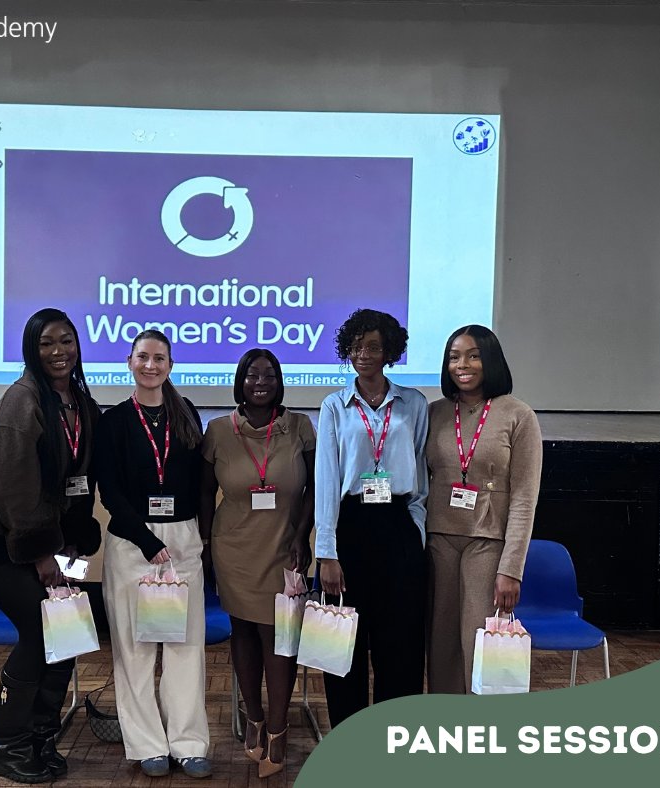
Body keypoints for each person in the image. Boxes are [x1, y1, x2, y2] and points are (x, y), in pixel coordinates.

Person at [0, 307, 102, 784]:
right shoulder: (22, 400)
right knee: (42, 632)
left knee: (69, 630)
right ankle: (6, 744)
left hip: (53, 536)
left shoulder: (79, 400)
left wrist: (75, 550)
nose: (58, 351)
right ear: (31, 350)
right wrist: (43, 554)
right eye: (46, 343)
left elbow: (80, 482)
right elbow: (14, 488)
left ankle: (42, 735)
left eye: (66, 341)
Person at [94, 329, 212, 780]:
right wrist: (149, 543)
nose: (150, 365)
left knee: (184, 646)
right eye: (142, 356)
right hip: (131, 541)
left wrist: (190, 540)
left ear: (170, 364)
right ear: (129, 361)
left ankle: (188, 743)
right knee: (135, 648)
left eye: (159, 357)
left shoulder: (186, 415)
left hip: (182, 540)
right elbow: (110, 492)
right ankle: (146, 744)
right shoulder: (115, 421)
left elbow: (199, 485)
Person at [199, 349, 315, 778]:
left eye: (269, 374)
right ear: (240, 381)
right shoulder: (217, 431)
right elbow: (204, 495)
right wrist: (208, 545)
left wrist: (303, 537)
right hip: (234, 549)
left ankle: (280, 730)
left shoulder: (300, 427)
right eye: (252, 374)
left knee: (278, 638)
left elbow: (314, 490)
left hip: (285, 547)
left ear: (280, 381)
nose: (260, 381)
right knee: (244, 633)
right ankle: (254, 720)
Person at [314, 308, 428, 727]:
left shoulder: (413, 403)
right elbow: (326, 480)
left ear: (389, 352)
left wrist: (415, 532)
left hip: (398, 527)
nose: (364, 354)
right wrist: (327, 552)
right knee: (344, 643)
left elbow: (419, 476)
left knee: (400, 644)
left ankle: (394, 737)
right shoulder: (334, 406)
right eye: (357, 346)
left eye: (374, 347)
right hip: (352, 527)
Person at [426, 324, 542, 694]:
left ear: (490, 360)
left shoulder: (517, 415)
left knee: (480, 646)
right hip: (438, 541)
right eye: (454, 356)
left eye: (473, 355)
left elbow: (525, 497)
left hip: (488, 545)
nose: (463, 364)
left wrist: (512, 569)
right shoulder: (434, 413)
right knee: (440, 647)